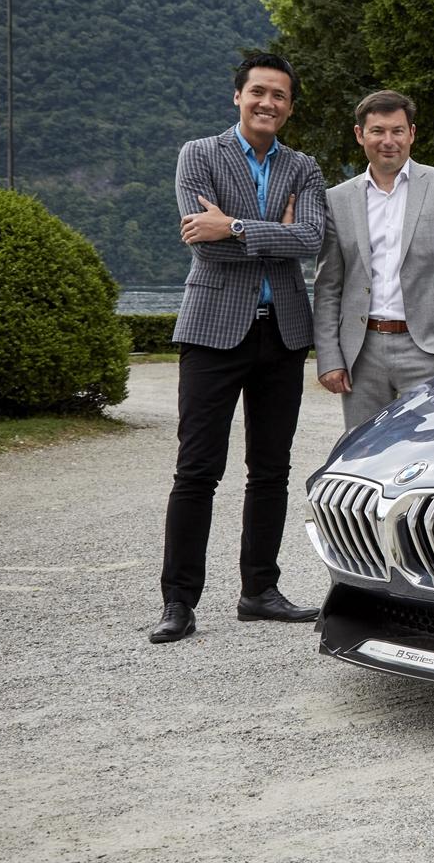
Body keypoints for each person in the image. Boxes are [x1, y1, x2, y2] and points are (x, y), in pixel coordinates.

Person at [151, 53, 327, 644]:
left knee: (271, 470)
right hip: (211, 332)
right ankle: (178, 601)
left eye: (279, 95)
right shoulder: (199, 155)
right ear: (238, 97)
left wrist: (235, 225)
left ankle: (259, 591)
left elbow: (312, 238)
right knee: (197, 470)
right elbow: (202, 244)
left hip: (283, 333)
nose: (267, 103)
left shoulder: (303, 167)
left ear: (290, 107)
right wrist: (271, 231)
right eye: (258, 92)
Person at [313, 90, 434, 431]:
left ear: (412, 134)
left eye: (397, 130)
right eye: (377, 131)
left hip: (429, 348)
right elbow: (328, 285)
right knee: (364, 449)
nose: (388, 141)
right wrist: (330, 357)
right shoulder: (337, 199)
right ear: (360, 134)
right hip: (361, 354)